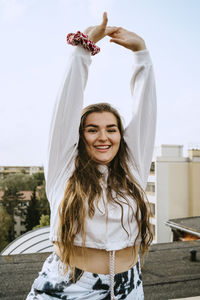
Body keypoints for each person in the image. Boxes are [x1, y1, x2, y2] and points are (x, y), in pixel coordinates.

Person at [26, 12, 156, 300]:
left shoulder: (131, 171)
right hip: (71, 288)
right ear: (79, 135)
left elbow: (146, 113)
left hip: (129, 287)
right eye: (92, 129)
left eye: (111, 129)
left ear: (121, 137)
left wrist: (141, 54)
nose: (103, 137)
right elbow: (65, 108)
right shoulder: (64, 171)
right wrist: (82, 50)